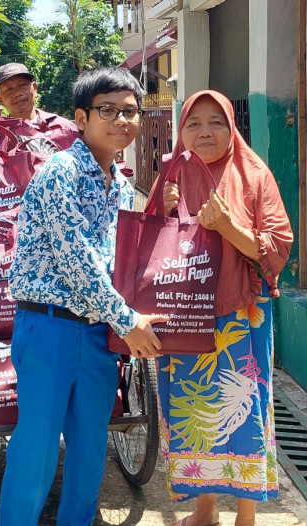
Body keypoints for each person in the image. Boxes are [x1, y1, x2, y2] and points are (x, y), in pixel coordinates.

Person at [0, 67, 166, 526]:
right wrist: (129, 320)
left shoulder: (118, 183)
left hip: (97, 333)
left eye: (129, 112)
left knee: (91, 446)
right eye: (107, 110)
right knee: (36, 448)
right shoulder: (60, 173)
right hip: (49, 327)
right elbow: (80, 260)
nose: (121, 121)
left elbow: (121, 257)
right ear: (81, 117)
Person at [152, 90, 292, 526]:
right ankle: (205, 508)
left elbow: (276, 252)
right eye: (194, 123)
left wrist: (228, 226)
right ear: (182, 130)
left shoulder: (254, 175)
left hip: (240, 317)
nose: (205, 131)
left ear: (232, 126)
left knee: (246, 411)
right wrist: (162, 210)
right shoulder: (173, 172)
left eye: (216, 121)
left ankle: (245, 515)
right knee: (195, 414)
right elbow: (147, 250)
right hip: (186, 316)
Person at [0, 62, 80, 151]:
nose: (18, 93)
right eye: (9, 89)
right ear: (0, 99)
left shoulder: (64, 128)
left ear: (34, 88)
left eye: (23, 85)